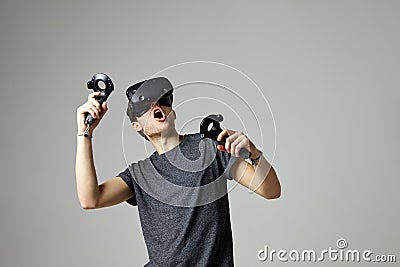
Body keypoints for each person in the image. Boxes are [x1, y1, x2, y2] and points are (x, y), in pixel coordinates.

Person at [75, 77, 281, 266]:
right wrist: (85, 132)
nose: (156, 106)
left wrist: (254, 154)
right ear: (136, 126)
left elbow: (271, 191)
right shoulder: (140, 174)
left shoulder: (210, 147)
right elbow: (90, 199)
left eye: (163, 100)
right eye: (144, 106)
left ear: (173, 113)